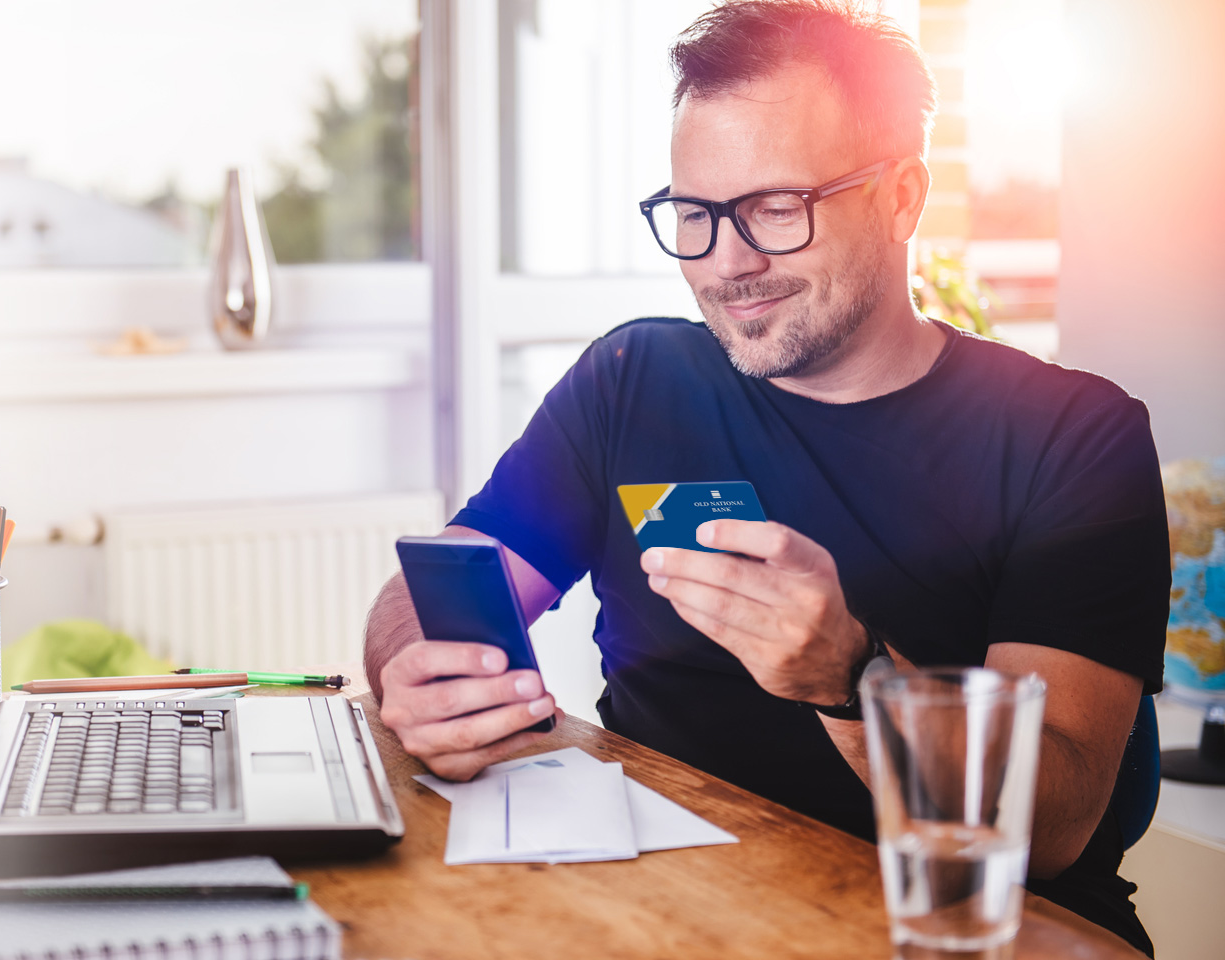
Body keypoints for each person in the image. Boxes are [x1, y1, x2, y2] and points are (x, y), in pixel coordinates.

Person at [362, 1, 1168, 952]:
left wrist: (851, 677)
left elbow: (1058, 822)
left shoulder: (1073, 435)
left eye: (779, 209)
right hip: (673, 904)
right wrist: (416, 672)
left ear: (904, 196)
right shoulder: (633, 382)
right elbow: (438, 586)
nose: (729, 262)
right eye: (695, 215)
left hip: (956, 929)